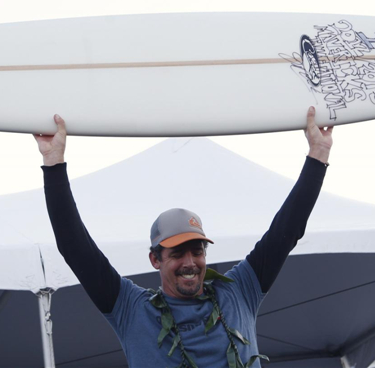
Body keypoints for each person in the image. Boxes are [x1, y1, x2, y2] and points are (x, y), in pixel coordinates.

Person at [34, 106, 333, 368]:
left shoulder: (240, 292)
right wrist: (53, 162)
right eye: (177, 253)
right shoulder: (131, 310)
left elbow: (286, 231)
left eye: (197, 250)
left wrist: (318, 155)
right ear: (155, 259)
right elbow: (75, 247)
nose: (191, 262)